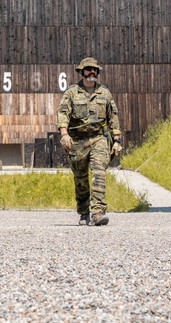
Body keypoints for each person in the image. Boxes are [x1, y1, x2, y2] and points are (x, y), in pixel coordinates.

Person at [57, 57, 122, 226]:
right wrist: (64, 134)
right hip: (77, 141)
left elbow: (113, 118)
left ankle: (98, 213)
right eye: (88, 69)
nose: (92, 72)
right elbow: (63, 113)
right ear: (82, 72)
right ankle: (84, 211)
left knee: (99, 171)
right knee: (81, 179)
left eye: (95, 70)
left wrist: (117, 140)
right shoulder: (72, 93)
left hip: (98, 138)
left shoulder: (105, 93)